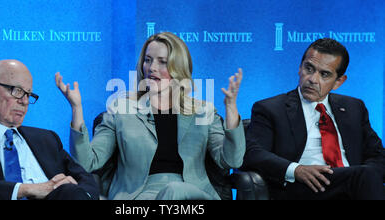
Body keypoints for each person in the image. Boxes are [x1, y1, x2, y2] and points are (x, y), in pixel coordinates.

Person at [55, 32, 246, 200]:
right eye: (148, 60)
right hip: (138, 196)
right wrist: (76, 109)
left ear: (178, 68)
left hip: (194, 194)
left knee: (175, 190)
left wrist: (230, 108)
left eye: (162, 62)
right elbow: (87, 162)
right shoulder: (121, 109)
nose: (151, 67)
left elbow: (231, 160)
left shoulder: (203, 111)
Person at [0, 59, 98, 200]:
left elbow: (87, 180)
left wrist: (75, 191)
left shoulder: (46, 139)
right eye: (17, 91)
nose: (25, 101)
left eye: (29, 94)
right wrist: (27, 189)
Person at [243, 38, 384, 200]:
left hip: (353, 184)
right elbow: (253, 154)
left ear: (338, 81)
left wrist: (369, 177)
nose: (312, 79)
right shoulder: (271, 108)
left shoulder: (354, 107)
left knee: (366, 175)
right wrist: (296, 170)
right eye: (309, 68)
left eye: (324, 74)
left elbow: (377, 154)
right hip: (301, 188)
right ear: (299, 68)